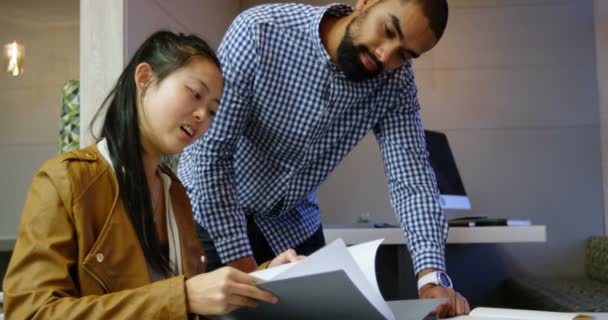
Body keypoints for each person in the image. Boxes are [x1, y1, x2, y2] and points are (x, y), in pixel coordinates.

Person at [178, 0, 471, 317]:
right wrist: (249, 272)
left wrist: (431, 277)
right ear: (365, 3)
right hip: (213, 212)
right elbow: (211, 155)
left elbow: (411, 179)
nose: (386, 55)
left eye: (405, 54)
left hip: (291, 223)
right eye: (387, 31)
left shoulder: (396, 83)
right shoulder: (259, 31)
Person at [2, 31, 302, 319]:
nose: (201, 116)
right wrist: (181, 297)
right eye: (195, 94)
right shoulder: (66, 180)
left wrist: (269, 274)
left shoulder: (175, 193)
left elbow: (197, 291)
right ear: (145, 78)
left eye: (212, 111)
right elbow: (30, 313)